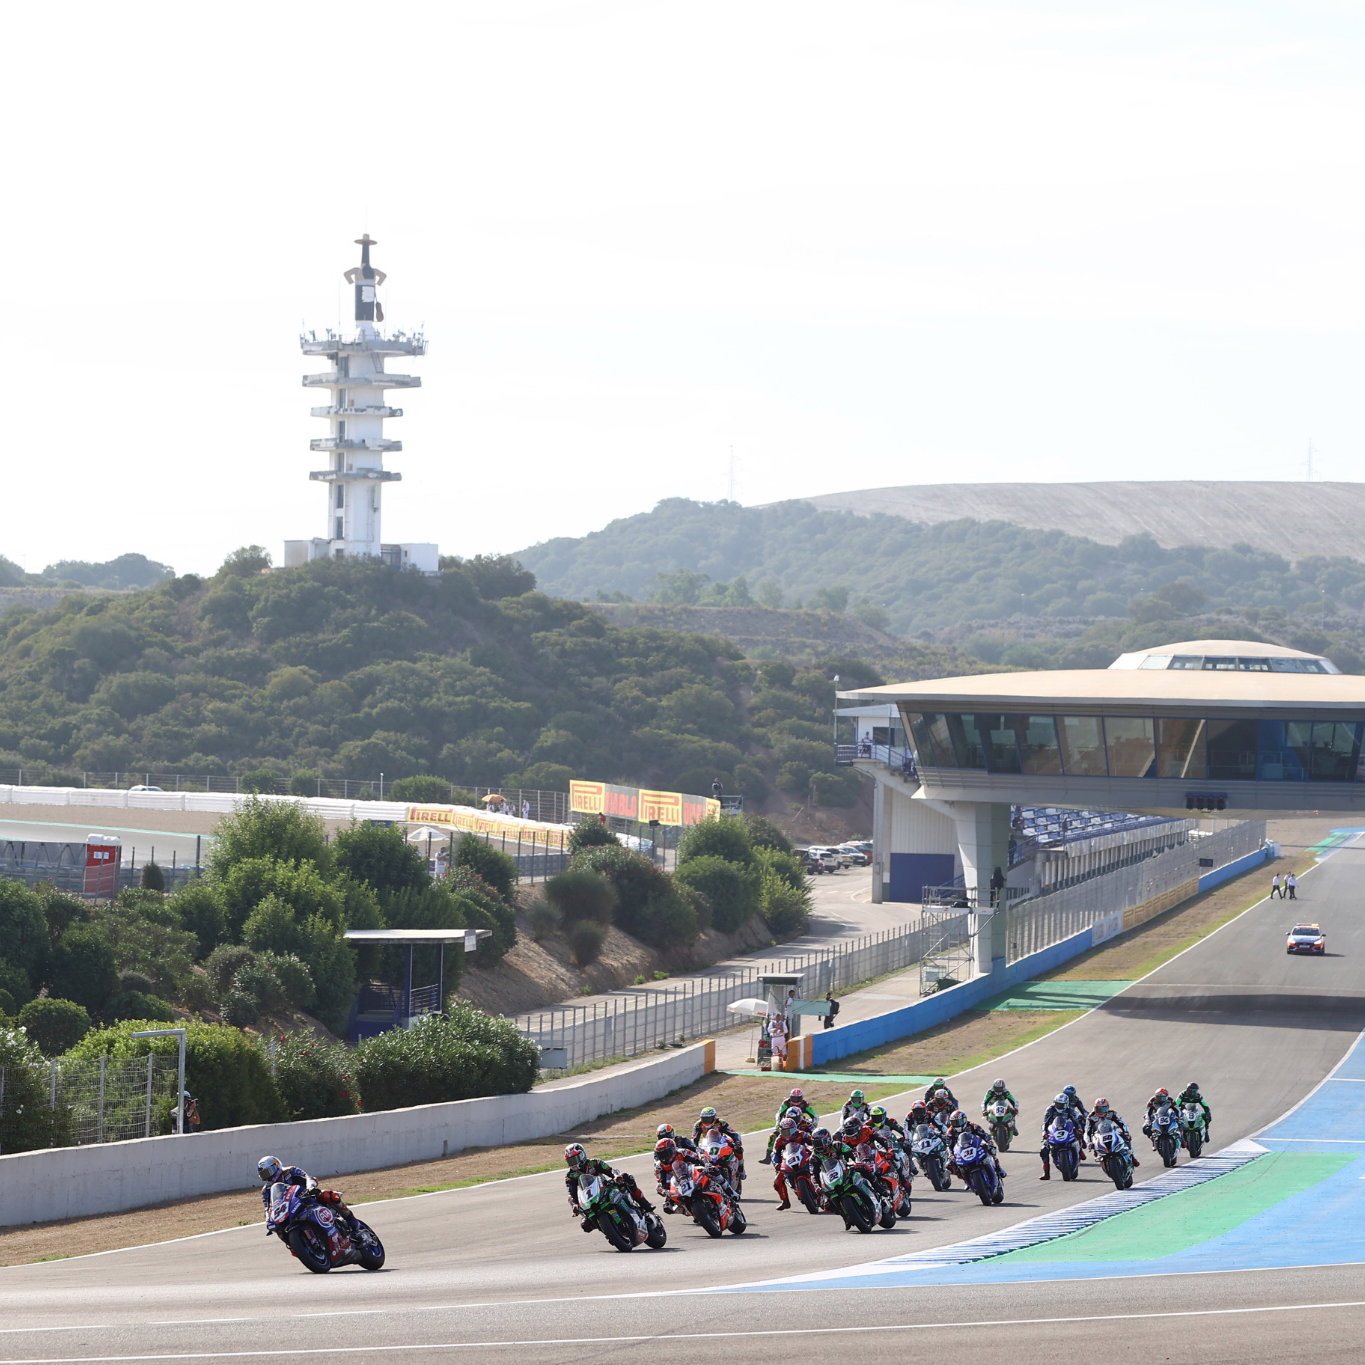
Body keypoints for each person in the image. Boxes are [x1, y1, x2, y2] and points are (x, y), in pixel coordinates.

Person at [564, 1143, 655, 1229]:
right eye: (570, 1161)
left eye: (574, 1159)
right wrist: (574, 1205)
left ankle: (645, 1204)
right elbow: (571, 1192)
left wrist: (616, 1176)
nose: (573, 1164)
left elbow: (610, 1171)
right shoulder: (570, 1176)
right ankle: (608, 1231)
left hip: (605, 1188)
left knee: (626, 1177)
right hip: (589, 1200)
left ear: (582, 1156)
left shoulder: (595, 1163)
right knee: (585, 1225)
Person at [257, 1155, 355, 1234]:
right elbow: (268, 1208)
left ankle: (353, 1223)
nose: (268, 1177)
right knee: (279, 1229)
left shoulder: (291, 1171)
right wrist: (268, 1220)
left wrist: (311, 1187)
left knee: (328, 1195)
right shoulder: (266, 1190)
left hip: (308, 1198)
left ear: (276, 1166)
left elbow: (308, 1178)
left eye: (268, 1172)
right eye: (264, 1175)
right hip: (290, 1211)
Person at [1038, 1092, 1083, 1180]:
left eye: (1061, 1105)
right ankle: (1046, 1173)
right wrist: (1044, 1132)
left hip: (1067, 1128)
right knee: (1044, 1149)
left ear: (1066, 1104)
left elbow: (1075, 1120)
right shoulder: (1050, 1109)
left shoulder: (1070, 1109)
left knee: (1077, 1137)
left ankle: (1079, 1151)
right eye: (1057, 1104)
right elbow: (1045, 1122)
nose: (1059, 1106)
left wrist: (1078, 1128)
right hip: (1054, 1131)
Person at [691, 1106, 746, 1178]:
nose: (706, 1121)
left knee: (738, 1149)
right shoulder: (698, 1125)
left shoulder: (721, 1123)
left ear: (714, 1118)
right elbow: (694, 1139)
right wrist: (695, 1148)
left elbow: (734, 1134)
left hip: (722, 1141)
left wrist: (737, 1142)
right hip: (706, 1143)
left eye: (708, 1119)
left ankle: (741, 1168)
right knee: (696, 1158)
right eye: (704, 1119)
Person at [1087, 1099, 1139, 1165]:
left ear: (1107, 1108)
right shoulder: (1091, 1117)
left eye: (1103, 1109)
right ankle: (1102, 1158)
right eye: (1098, 1109)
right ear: (1094, 1108)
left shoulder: (1112, 1113)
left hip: (1110, 1131)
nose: (1100, 1111)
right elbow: (1087, 1131)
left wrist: (1126, 1132)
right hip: (1097, 1134)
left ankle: (1132, 1156)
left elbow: (1122, 1123)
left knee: (1125, 1137)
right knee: (1093, 1146)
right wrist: (1089, 1142)